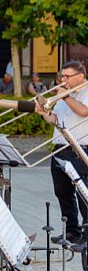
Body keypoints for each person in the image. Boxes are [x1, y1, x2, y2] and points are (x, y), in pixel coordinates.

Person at [36, 60, 88, 244]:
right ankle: (73, 231)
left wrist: (65, 97)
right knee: (63, 191)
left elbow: (83, 111)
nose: (63, 79)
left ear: (80, 76)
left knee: (83, 192)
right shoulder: (66, 95)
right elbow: (55, 119)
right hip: (60, 148)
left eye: (67, 76)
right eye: (62, 76)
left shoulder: (85, 92)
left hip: (79, 149)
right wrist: (43, 113)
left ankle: (87, 232)